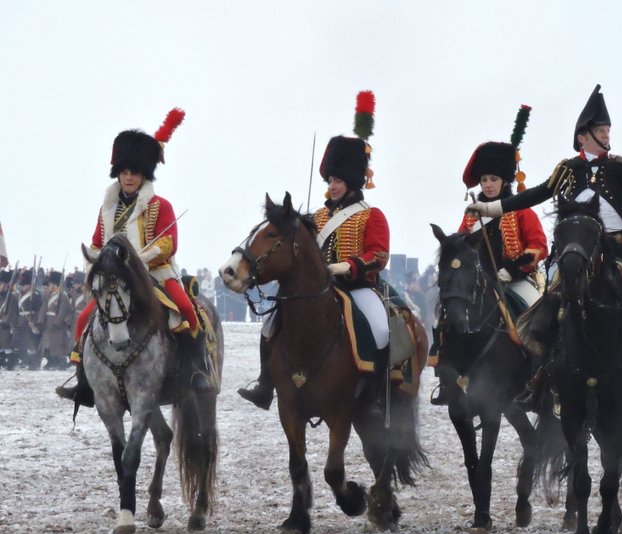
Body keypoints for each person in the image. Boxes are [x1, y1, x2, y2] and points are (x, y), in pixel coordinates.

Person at [466, 85, 622, 414]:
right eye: (600, 130)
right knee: (547, 309)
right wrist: (493, 209)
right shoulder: (567, 168)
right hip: (571, 251)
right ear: (583, 137)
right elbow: (533, 195)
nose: (606, 135)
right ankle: (539, 379)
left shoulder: (621, 166)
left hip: (615, 249)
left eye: (608, 129)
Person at [239, 91, 393, 409]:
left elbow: (379, 255)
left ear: (353, 182)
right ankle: (265, 385)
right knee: (270, 326)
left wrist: (348, 267)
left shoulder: (370, 215)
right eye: (331, 179)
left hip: (357, 286)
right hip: (316, 289)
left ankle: (377, 393)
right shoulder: (316, 217)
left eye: (339, 180)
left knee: (379, 328)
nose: (333, 185)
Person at [56, 108, 211, 405]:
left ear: (144, 174)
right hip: (115, 276)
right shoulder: (107, 209)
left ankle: (197, 372)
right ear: (119, 172)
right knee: (82, 321)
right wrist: (101, 259)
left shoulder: (160, 205)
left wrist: (139, 258)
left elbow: (169, 244)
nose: (128, 177)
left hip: (155, 274)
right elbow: (97, 241)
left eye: (134, 172)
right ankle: (85, 383)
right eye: (125, 172)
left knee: (187, 310)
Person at [429, 110, 549, 405]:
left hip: (515, 280)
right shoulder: (471, 215)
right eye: (484, 179)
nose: (488, 185)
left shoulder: (521, 210)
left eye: (494, 179)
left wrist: (516, 268)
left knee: (538, 318)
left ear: (504, 180)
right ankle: (446, 377)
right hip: (477, 284)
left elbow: (538, 245)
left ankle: (539, 379)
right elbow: (458, 245)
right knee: (444, 316)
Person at [36, 271, 72, 370]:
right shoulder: (49, 295)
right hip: (48, 321)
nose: (49, 285)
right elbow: (44, 308)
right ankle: (51, 361)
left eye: (51, 283)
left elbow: (63, 311)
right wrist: (41, 320)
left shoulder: (63, 295)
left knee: (58, 345)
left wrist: (57, 322)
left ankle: (61, 362)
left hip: (56, 324)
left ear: (55, 284)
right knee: (48, 344)